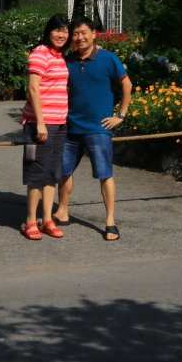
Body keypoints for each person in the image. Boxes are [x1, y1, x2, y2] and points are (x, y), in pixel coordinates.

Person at [54, 16, 132, 241]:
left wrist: (121, 116)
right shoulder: (68, 60)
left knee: (105, 174)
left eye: (83, 33)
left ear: (94, 33)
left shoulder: (108, 58)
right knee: (63, 171)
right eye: (75, 34)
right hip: (71, 126)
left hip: (99, 128)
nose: (79, 38)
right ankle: (62, 210)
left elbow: (126, 84)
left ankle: (110, 221)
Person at [19, 14, 71, 241]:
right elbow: (33, 88)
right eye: (57, 30)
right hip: (40, 123)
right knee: (37, 174)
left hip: (60, 122)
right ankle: (31, 220)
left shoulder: (59, 56)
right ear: (48, 31)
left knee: (52, 173)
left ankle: (47, 218)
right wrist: (40, 122)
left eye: (65, 31)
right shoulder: (40, 53)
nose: (62, 35)